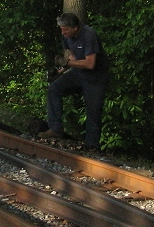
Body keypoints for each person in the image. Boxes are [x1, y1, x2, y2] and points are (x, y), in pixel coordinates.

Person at [39, 12, 110, 151]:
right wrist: (61, 70)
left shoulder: (89, 35)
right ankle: (55, 128)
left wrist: (69, 63)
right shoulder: (67, 36)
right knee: (54, 89)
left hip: (96, 78)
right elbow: (72, 54)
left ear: (75, 28)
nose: (63, 32)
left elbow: (90, 64)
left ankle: (92, 147)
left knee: (93, 113)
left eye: (65, 29)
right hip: (78, 73)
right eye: (61, 29)